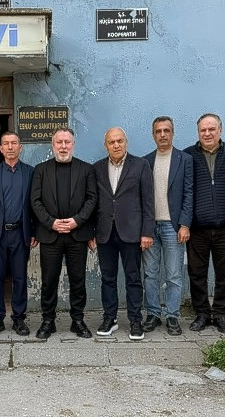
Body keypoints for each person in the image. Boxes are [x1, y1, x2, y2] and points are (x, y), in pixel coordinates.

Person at [30, 127, 97, 339]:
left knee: (78, 280)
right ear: (53, 145)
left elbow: (92, 199)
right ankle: (48, 320)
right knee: (49, 280)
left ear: (73, 145)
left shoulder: (86, 170)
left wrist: (77, 221)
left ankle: (77, 320)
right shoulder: (40, 170)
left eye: (67, 142)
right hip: (51, 235)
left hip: (77, 234)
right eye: (59, 142)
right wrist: (51, 223)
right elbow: (35, 201)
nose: (63, 146)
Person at [91, 127, 154, 341]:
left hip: (132, 232)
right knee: (107, 278)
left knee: (133, 278)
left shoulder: (141, 165)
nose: (116, 145)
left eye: (119, 141)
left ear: (126, 142)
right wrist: (91, 231)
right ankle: (110, 318)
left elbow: (148, 201)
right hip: (105, 232)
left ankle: (135, 320)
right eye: (112, 142)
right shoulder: (97, 168)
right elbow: (93, 202)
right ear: (106, 145)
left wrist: (147, 232)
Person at [183, 114, 225, 334]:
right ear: (198, 132)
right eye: (203, 130)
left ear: (220, 130)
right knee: (197, 273)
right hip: (197, 227)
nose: (207, 133)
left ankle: (220, 314)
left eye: (212, 129)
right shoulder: (188, 155)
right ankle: (202, 314)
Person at [0, 131, 36, 337]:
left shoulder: (30, 172)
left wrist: (34, 231)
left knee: (20, 278)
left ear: (21, 147)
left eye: (14, 143)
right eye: (6, 143)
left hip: (20, 233)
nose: (10, 147)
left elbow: (34, 205)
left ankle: (19, 318)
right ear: (1, 148)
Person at [142, 117, 193, 336]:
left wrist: (185, 224)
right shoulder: (145, 161)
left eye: (166, 130)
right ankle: (153, 313)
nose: (162, 134)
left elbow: (189, 193)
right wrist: (143, 228)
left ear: (173, 133)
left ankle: (172, 315)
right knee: (150, 274)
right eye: (158, 131)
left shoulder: (185, 159)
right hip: (150, 227)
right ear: (153, 134)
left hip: (174, 227)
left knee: (173, 275)